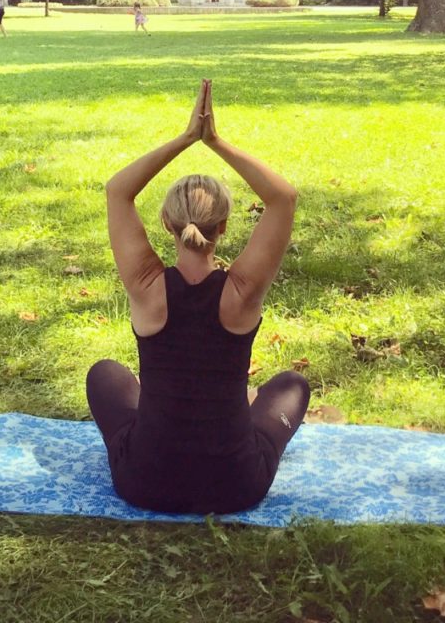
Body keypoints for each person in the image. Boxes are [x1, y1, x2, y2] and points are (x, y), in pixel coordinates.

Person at [87, 80, 309, 515]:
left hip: (144, 480)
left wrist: (186, 139)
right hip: (235, 485)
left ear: (168, 224)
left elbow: (118, 191)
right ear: (223, 228)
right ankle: (243, 410)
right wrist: (216, 142)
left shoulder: (147, 286)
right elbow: (282, 197)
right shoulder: (241, 293)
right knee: (291, 385)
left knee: (105, 375)